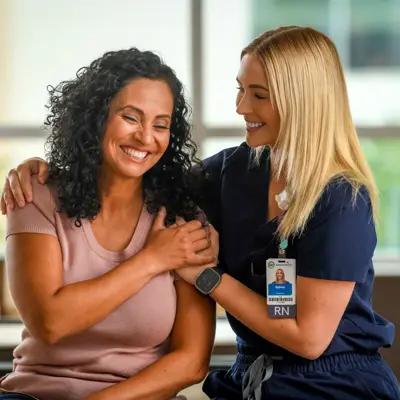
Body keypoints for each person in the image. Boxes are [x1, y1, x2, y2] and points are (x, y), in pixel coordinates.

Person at [2, 26, 400, 400]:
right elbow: (137, 166)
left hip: (333, 380)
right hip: (250, 378)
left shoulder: (341, 200)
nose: (241, 106)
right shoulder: (226, 174)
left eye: (258, 94)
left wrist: (206, 278)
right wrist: (42, 168)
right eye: (241, 90)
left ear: (302, 101)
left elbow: (308, 339)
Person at [0, 48, 219, 400]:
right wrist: (152, 260)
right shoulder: (35, 196)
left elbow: (192, 361)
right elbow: (49, 323)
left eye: (160, 124)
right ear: (96, 116)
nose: (146, 138)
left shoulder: (182, 217)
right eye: (131, 118)